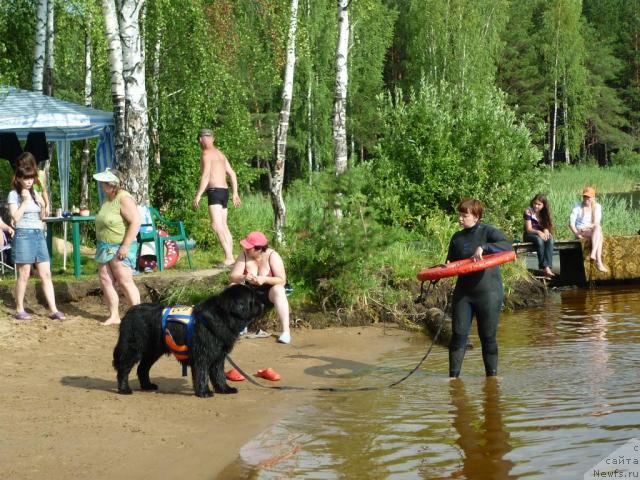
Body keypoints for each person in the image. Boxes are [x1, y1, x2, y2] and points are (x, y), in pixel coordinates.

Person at [446, 199, 512, 378]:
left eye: (464, 215)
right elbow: (451, 263)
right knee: (458, 335)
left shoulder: (487, 231)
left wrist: (485, 247)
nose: (460, 218)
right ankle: (453, 380)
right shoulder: (456, 238)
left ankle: (492, 380)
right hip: (464, 293)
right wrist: (443, 268)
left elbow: (508, 245)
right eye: (459, 214)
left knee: (487, 336)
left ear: (476, 216)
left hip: (488, 293)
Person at [7, 163, 64, 320]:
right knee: (24, 273)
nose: (29, 181)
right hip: (23, 235)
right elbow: (15, 218)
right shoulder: (14, 195)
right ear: (18, 178)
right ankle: (19, 309)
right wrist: (25, 202)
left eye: (31, 178)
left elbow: (42, 217)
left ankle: (53, 310)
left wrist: (43, 204)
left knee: (46, 273)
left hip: (39, 234)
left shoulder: (35, 193)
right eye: (25, 178)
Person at [93, 168, 141, 325]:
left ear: (112, 184)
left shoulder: (124, 198)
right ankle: (114, 315)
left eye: (104, 182)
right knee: (105, 279)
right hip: (104, 247)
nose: (101, 185)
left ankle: (139, 317)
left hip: (119, 246)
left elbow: (136, 222)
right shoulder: (107, 199)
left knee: (124, 280)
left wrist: (125, 246)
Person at [229, 231, 291, 344]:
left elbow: (282, 280)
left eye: (249, 247)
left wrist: (265, 279)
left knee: (279, 289)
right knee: (233, 286)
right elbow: (233, 277)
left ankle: (286, 331)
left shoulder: (272, 256)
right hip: (249, 293)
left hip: (269, 292)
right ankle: (240, 326)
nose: (245, 249)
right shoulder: (243, 255)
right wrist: (244, 277)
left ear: (259, 249)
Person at [192, 129, 241, 268]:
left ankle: (229, 257)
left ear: (201, 140)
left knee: (216, 225)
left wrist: (198, 195)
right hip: (225, 191)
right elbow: (232, 173)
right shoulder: (220, 154)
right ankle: (231, 258)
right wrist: (235, 193)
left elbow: (206, 176)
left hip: (214, 191)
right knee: (223, 225)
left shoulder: (206, 154)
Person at [569, 186, 608, 273]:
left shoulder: (597, 206)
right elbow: (571, 224)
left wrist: (587, 227)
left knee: (598, 229)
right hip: (580, 230)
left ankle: (594, 254)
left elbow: (596, 222)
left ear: (593, 198)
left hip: (591, 229)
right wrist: (576, 233)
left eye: (588, 197)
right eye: (584, 196)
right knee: (599, 232)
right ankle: (598, 262)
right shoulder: (577, 207)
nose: (586, 198)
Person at [523, 193, 555, 277]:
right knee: (539, 240)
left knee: (550, 238)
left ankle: (547, 266)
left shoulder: (544, 213)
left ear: (543, 205)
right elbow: (529, 229)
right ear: (532, 202)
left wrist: (546, 230)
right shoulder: (528, 211)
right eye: (535, 203)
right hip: (529, 235)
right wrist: (539, 232)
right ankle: (544, 267)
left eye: (539, 204)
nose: (536, 206)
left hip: (540, 234)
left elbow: (546, 226)